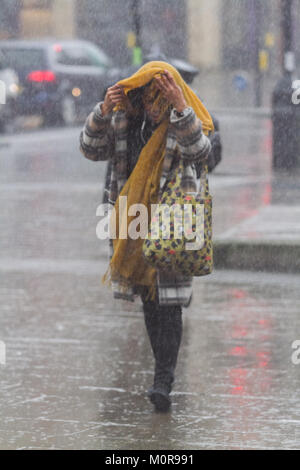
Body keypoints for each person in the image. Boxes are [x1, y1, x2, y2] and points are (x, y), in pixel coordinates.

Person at [80, 61, 214, 412]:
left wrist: (181, 109)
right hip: (136, 222)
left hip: (174, 221)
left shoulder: (185, 116)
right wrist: (103, 110)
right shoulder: (126, 119)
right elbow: (91, 149)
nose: (155, 106)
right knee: (151, 302)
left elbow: (203, 154)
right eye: (149, 97)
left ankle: (163, 382)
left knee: (169, 304)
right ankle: (162, 376)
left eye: (161, 98)